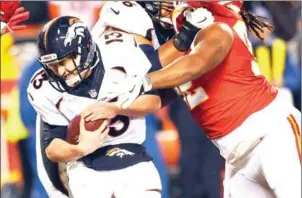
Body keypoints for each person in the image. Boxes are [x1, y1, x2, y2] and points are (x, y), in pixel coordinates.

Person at [83, 2, 301, 198]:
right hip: (236, 156)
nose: (168, 8)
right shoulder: (178, 46)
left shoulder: (218, 26)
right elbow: (156, 93)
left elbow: (198, 61)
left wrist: (145, 81)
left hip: (272, 136)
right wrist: (115, 106)